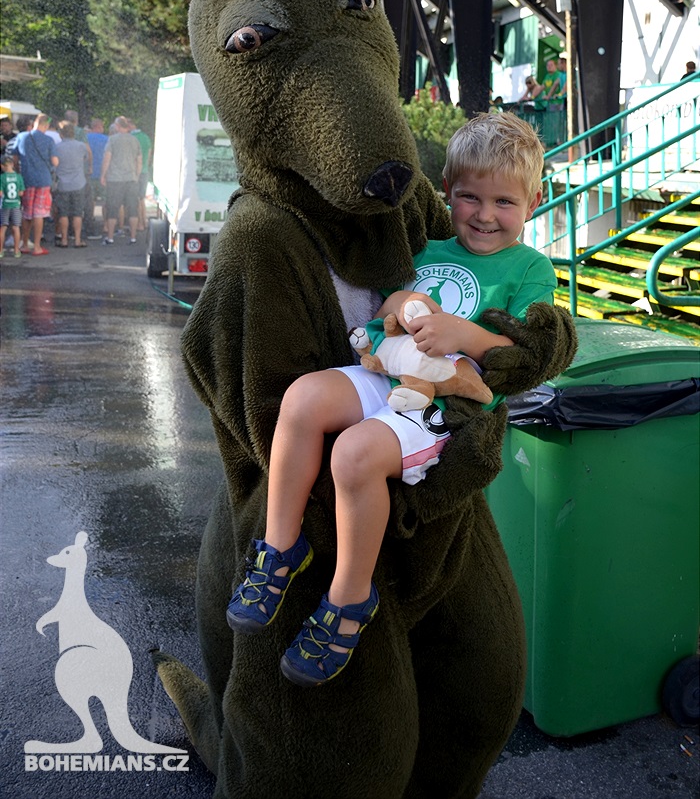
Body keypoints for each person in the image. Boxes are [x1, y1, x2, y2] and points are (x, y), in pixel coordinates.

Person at [226, 111, 557, 687]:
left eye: (504, 202)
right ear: (447, 193)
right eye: (470, 197)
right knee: (302, 397)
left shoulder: (530, 268)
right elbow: (385, 320)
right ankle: (280, 547)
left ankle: (349, 600)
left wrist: (465, 334)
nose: (484, 215)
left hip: (445, 403)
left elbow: (526, 349)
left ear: (533, 201)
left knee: (354, 455)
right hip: (388, 374)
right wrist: (399, 307)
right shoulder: (427, 251)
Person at [14, 113, 58, 256]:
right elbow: (55, 161)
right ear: (45, 125)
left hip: (26, 179)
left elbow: (15, 157)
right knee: (39, 213)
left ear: (34, 124)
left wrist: (18, 171)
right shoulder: (49, 140)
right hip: (43, 180)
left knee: (27, 213)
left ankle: (25, 244)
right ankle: (37, 246)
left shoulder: (21, 137)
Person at [100, 116, 142, 244]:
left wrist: (103, 175)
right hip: (131, 178)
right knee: (133, 209)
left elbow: (107, 158)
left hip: (115, 179)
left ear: (118, 126)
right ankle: (133, 237)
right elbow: (139, 160)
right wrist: (136, 175)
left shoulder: (112, 140)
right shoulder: (135, 140)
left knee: (113, 209)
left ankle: (111, 237)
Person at [53, 121, 90, 247]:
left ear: (61, 134)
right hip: (79, 183)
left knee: (63, 213)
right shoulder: (81, 146)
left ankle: (64, 240)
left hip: (63, 184)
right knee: (78, 213)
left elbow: (54, 163)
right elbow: (86, 158)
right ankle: (78, 240)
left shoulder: (57, 147)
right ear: (74, 134)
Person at [84, 118, 109, 238]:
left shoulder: (86, 138)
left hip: (89, 173)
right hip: (103, 174)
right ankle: (105, 225)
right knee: (105, 200)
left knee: (91, 201)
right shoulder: (106, 139)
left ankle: (90, 222)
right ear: (99, 127)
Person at [127, 118, 153, 231]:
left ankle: (139, 224)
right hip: (145, 171)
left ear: (130, 125)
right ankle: (144, 222)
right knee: (141, 198)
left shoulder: (131, 138)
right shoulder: (145, 137)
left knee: (135, 199)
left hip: (134, 172)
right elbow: (150, 153)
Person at [0, 154, 25, 258]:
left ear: (2, 166)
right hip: (16, 205)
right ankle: (16, 250)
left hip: (5, 204)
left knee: (3, 227)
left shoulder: (2, 177)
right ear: (12, 164)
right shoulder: (18, 177)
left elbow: (1, 193)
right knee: (16, 227)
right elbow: (21, 193)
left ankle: (1, 251)